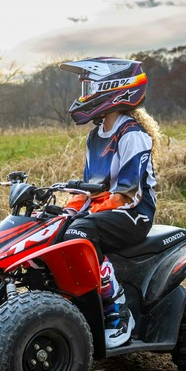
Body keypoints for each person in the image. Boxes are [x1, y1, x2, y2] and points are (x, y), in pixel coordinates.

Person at [57, 57, 159, 349]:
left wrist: (80, 218)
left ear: (114, 89)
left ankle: (117, 311)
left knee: (80, 232)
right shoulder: (94, 137)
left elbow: (126, 193)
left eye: (90, 87)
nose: (85, 94)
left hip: (134, 214)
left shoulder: (134, 136)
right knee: (55, 227)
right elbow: (89, 189)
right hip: (105, 212)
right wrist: (65, 212)